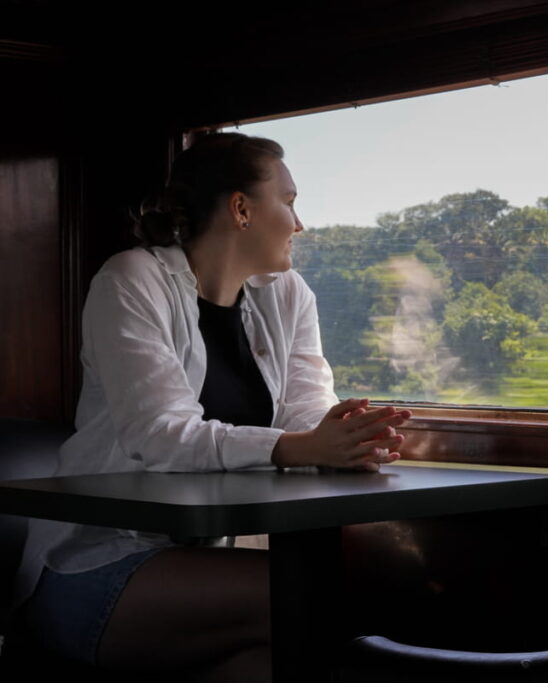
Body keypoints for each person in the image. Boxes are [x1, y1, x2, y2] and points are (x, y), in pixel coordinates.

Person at [13, 132, 411, 681]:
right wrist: (303, 447)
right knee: (329, 596)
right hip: (99, 562)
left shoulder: (288, 294)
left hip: (197, 566)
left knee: (279, 666)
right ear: (241, 209)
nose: (300, 224)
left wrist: (349, 437)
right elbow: (160, 432)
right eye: (290, 202)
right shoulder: (132, 279)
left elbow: (304, 412)